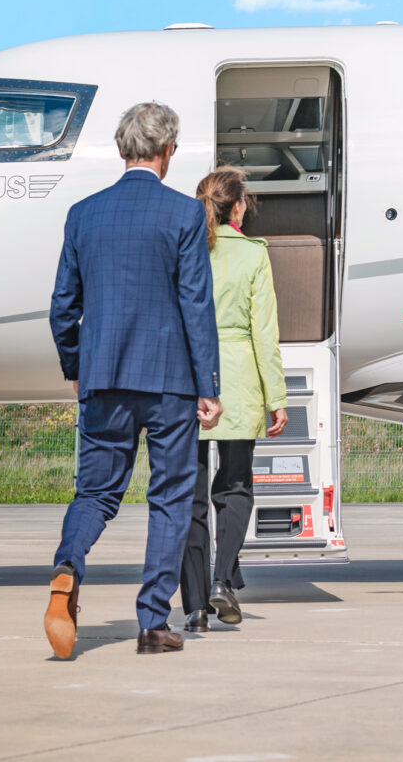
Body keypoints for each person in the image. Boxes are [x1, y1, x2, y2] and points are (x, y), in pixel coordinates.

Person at [44, 101, 221, 659]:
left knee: (95, 492)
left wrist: (77, 367)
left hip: (103, 378)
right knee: (170, 499)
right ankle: (152, 623)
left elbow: (61, 308)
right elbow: (196, 306)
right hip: (169, 381)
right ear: (168, 151)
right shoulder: (185, 215)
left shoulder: (83, 214)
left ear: (123, 150)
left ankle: (67, 568)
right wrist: (208, 385)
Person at [179, 168, 288, 632]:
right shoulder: (252, 255)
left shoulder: (185, 246)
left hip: (188, 377)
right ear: (238, 206)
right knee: (236, 486)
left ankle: (196, 607)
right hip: (240, 379)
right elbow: (265, 332)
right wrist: (276, 396)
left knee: (189, 496)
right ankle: (224, 580)